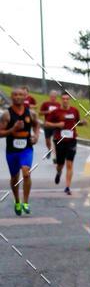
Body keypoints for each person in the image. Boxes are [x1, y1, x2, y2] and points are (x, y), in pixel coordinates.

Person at [0, 87, 39, 215]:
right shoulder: (7, 114)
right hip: (12, 151)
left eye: (20, 95)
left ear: (25, 97)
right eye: (15, 95)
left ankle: (26, 202)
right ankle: (17, 200)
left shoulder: (31, 113)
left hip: (26, 149)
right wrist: (13, 130)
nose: (17, 97)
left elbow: (36, 125)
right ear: (11, 97)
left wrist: (36, 136)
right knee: (14, 177)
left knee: (26, 173)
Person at [46, 92, 86, 195]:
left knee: (69, 164)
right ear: (61, 100)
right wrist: (57, 124)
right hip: (59, 140)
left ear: (69, 100)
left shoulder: (74, 111)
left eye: (67, 99)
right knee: (60, 164)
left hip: (72, 140)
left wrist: (83, 123)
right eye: (63, 99)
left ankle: (67, 187)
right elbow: (46, 123)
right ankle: (59, 172)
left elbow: (77, 122)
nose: (65, 100)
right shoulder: (56, 112)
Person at [39, 89, 61, 159]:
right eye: (52, 96)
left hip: (56, 125)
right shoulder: (45, 104)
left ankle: (55, 157)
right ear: (50, 96)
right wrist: (48, 112)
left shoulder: (59, 105)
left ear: (56, 97)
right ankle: (49, 150)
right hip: (47, 125)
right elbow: (40, 113)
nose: (53, 98)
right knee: (47, 141)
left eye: (54, 97)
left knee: (55, 140)